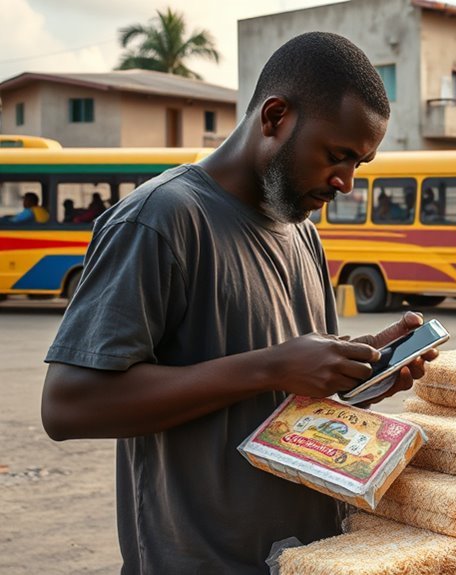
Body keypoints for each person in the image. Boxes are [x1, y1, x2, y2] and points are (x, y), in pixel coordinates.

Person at [40, 32, 436, 574]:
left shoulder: (302, 233)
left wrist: (351, 375)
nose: (345, 182)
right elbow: (68, 405)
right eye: (337, 156)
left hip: (306, 556)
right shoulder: (161, 219)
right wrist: (272, 366)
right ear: (275, 116)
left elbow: (284, 403)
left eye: (360, 165)